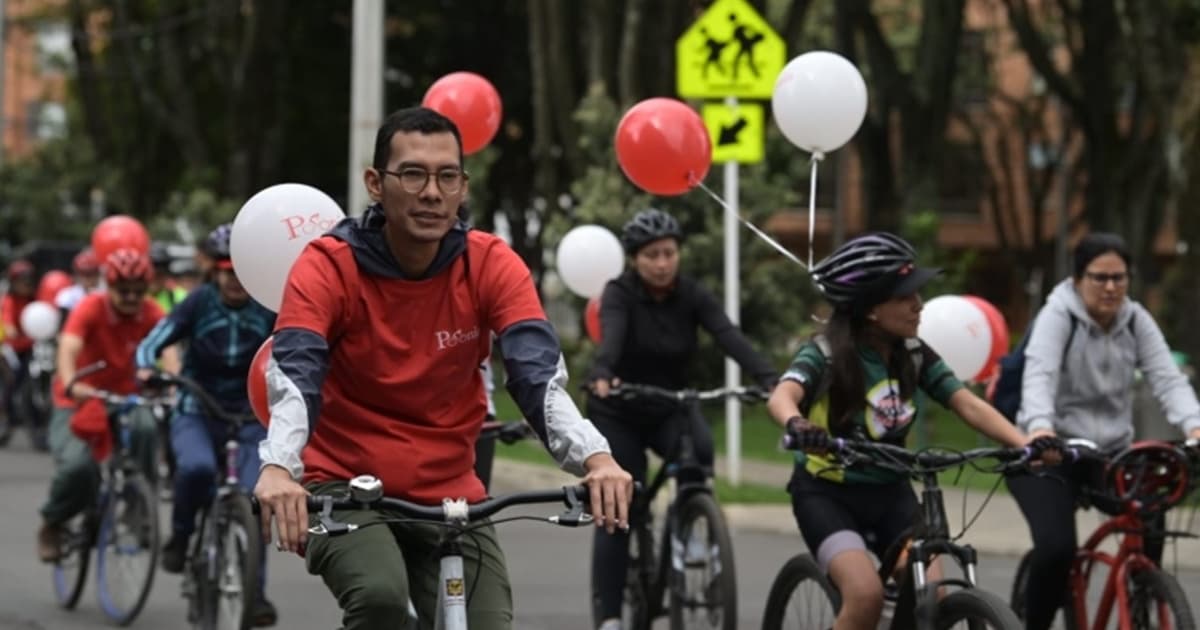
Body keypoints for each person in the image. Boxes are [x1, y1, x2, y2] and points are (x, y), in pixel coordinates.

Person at [253, 106, 633, 630]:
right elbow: (296, 371)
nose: (431, 192)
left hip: (452, 494)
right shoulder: (328, 264)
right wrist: (279, 467)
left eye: (447, 176)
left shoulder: (490, 262)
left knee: (488, 625)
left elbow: (535, 373)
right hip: (342, 484)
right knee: (382, 600)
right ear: (376, 184)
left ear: (462, 187)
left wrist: (595, 458)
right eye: (412, 174)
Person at [765, 233, 1046, 630]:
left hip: (891, 492)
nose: (919, 305)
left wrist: (1024, 444)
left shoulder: (913, 353)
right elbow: (782, 396)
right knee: (864, 596)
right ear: (871, 310)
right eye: (905, 297)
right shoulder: (825, 354)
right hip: (827, 494)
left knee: (933, 595)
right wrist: (798, 423)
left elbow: (966, 403)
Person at [585, 208, 779, 630]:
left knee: (700, 452)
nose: (661, 262)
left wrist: (769, 378)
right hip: (619, 406)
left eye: (669, 253)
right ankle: (612, 617)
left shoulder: (691, 294)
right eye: (652, 254)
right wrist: (603, 372)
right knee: (621, 501)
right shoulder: (619, 293)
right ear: (635, 258)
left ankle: (692, 527)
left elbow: (728, 335)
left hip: (670, 403)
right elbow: (612, 337)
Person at [1009, 232, 1200, 630]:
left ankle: (1144, 603)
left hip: (1108, 451)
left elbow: (1168, 379)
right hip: (1048, 451)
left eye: (1119, 278)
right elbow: (1039, 376)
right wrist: (1041, 430)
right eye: (1100, 277)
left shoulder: (1135, 319)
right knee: (1057, 548)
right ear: (1078, 280)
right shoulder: (1057, 316)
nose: (1111, 287)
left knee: (1150, 514)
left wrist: (1195, 425)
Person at [135, 223, 278, 624]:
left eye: (242, 271)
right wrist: (147, 370)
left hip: (251, 415)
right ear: (214, 270)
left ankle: (257, 594)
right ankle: (181, 538)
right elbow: (152, 343)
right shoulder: (196, 303)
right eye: (226, 270)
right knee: (195, 469)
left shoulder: (270, 308)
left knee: (256, 500)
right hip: (197, 409)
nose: (235, 280)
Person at [36, 248, 174, 562]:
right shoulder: (90, 307)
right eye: (122, 290)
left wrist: (172, 382)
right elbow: (68, 348)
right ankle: (52, 522)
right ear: (108, 286)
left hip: (126, 398)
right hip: (81, 398)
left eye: (138, 291)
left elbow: (170, 352)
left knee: (146, 429)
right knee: (78, 468)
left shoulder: (152, 312)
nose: (130, 297)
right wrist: (72, 383)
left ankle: (138, 507)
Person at [1, 260, 37, 442]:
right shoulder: (9, 301)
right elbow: (7, 322)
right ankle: (5, 415)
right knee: (10, 381)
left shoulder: (34, 301)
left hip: (30, 347)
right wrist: (11, 329)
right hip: (11, 350)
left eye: (29, 281)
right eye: (22, 281)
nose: (26, 285)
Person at [54, 249, 103, 314]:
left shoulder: (105, 295)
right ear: (76, 276)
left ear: (98, 275)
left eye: (92, 274)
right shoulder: (67, 296)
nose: (88, 279)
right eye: (84, 274)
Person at [149, 242, 189, 312]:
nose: (155, 278)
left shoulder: (180, 298)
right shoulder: (134, 296)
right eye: (151, 273)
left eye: (160, 274)